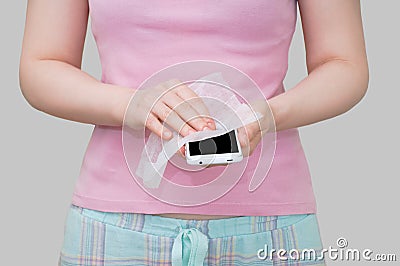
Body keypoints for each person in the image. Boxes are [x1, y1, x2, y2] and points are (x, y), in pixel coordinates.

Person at [19, 0, 368, 265]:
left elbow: (345, 64)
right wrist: (130, 104)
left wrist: (269, 115)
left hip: (270, 229)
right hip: (113, 230)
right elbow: (42, 65)